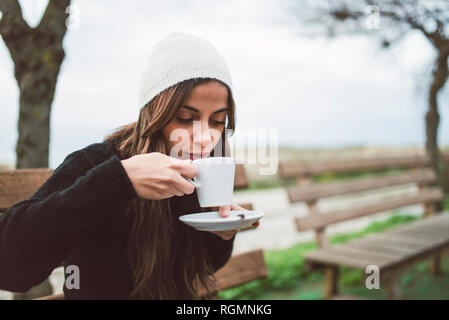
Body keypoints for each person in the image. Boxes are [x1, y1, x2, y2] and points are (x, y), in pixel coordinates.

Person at [0, 32, 259, 300]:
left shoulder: (196, 171)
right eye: (185, 117)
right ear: (153, 114)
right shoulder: (98, 163)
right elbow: (8, 268)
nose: (205, 137)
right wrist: (118, 181)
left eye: (217, 121)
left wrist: (220, 234)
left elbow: (204, 266)